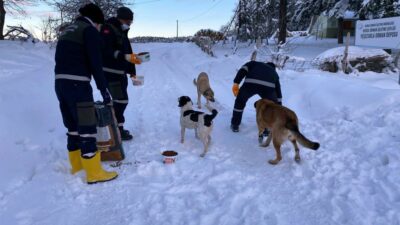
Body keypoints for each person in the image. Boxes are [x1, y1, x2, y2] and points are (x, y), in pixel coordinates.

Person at [54, 3, 118, 184]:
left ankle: (77, 167)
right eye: (100, 25)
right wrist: (104, 89)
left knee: (73, 127)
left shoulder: (68, 30)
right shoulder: (88, 30)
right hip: (78, 85)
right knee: (87, 127)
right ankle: (94, 173)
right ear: (96, 21)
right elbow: (95, 63)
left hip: (60, 83)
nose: (99, 29)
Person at [101, 6, 141, 141]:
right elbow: (106, 50)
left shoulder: (122, 32)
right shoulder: (108, 29)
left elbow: (128, 53)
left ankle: (117, 128)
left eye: (131, 22)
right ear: (121, 18)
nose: (129, 24)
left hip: (120, 73)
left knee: (120, 100)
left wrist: (132, 71)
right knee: (121, 100)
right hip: (110, 73)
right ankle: (116, 130)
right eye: (128, 21)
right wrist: (122, 56)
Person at [230, 61, 282, 132]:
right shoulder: (274, 73)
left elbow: (243, 70)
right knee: (270, 107)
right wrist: (278, 105)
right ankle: (266, 129)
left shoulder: (254, 63)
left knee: (240, 101)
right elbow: (278, 90)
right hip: (268, 88)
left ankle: (235, 125)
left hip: (250, 84)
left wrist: (236, 82)